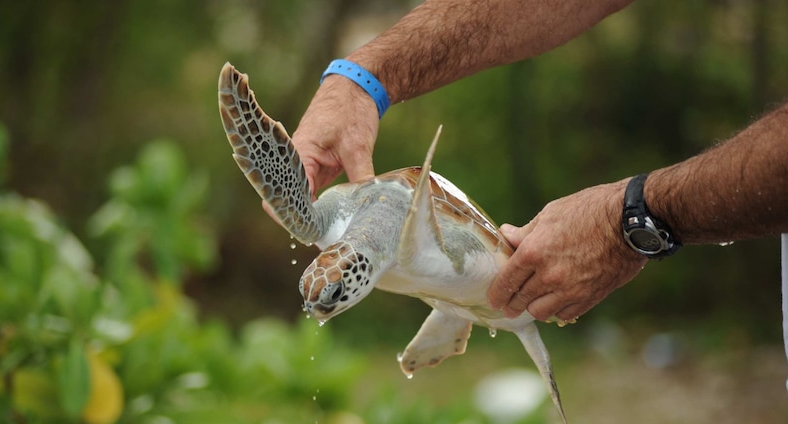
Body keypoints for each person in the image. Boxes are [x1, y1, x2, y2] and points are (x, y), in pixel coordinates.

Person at [289, 0, 788, 326]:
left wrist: (637, 216)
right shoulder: (328, 225)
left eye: (330, 296)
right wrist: (367, 76)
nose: (319, 312)